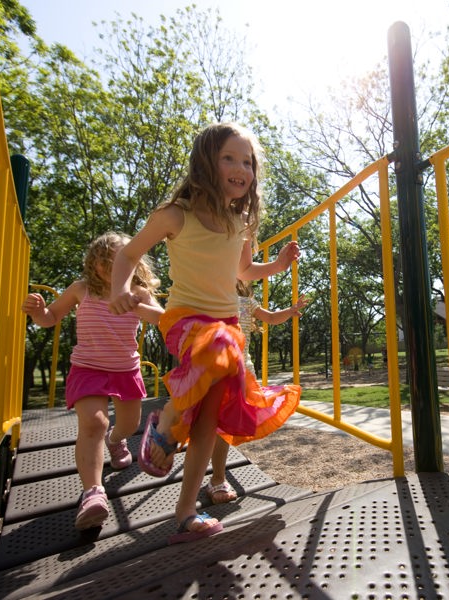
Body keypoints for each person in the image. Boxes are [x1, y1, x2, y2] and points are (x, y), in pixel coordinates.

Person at [109, 122, 301, 544]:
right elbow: (128, 254)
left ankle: (184, 512)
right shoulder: (177, 214)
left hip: (225, 329)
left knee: (209, 423)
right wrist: (121, 288)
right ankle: (167, 423)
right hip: (186, 321)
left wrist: (279, 266)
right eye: (228, 158)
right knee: (221, 347)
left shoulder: (239, 223)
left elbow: (244, 272)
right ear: (205, 164)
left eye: (247, 162)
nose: (241, 168)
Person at [23, 232, 163, 531]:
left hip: (125, 369)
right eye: (107, 260)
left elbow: (162, 319)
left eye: (124, 260)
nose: (115, 266)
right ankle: (93, 494)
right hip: (88, 368)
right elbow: (50, 318)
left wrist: (135, 303)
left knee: (126, 425)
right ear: (95, 264)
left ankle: (116, 441)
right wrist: (38, 312)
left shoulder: (138, 292)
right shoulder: (81, 290)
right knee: (94, 424)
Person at [206, 280, 309, 504]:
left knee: (222, 426)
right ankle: (213, 475)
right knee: (212, 424)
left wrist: (290, 310)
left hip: (241, 373)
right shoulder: (209, 298)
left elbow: (271, 317)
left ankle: (217, 478)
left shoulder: (246, 303)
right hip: (215, 371)